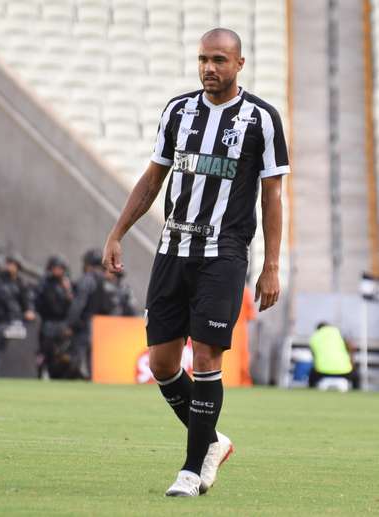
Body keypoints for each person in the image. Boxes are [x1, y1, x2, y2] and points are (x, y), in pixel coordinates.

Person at [101, 28, 288, 496]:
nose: (209, 68)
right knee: (163, 363)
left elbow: (273, 195)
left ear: (239, 64)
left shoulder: (261, 119)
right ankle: (213, 442)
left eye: (220, 60)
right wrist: (117, 232)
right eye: (204, 59)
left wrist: (270, 265)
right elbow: (152, 179)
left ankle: (190, 468)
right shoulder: (178, 111)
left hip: (223, 253)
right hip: (173, 249)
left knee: (206, 355)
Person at [65, 248, 110, 379]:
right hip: (103, 325)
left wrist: (71, 324)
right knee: (96, 360)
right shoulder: (107, 281)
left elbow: (79, 304)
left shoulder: (87, 279)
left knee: (79, 357)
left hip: (86, 325)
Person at [34, 254, 73, 378]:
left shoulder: (66, 284)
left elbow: (72, 304)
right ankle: (40, 373)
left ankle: (56, 375)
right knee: (44, 350)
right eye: (56, 268)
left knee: (60, 353)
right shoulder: (44, 283)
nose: (58, 271)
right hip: (47, 322)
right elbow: (38, 301)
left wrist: (68, 291)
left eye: (60, 268)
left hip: (61, 322)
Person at [308, 322, 357, 389]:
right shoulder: (338, 332)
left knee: (311, 375)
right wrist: (352, 363)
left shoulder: (314, 337)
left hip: (322, 372)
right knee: (356, 376)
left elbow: (314, 356)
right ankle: (356, 391)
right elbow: (351, 347)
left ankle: (311, 392)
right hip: (344, 372)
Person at [4, 254, 36, 322]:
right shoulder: (0, 280)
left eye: (13, 265)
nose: (10, 267)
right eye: (9, 264)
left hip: (16, 314)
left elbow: (27, 298)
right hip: (2, 314)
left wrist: (29, 310)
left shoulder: (21, 282)